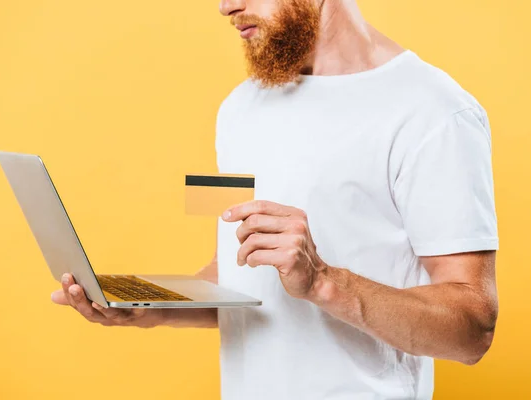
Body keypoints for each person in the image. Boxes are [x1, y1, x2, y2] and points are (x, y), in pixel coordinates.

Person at [51, 0, 499, 398]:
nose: (225, 7)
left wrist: (322, 280)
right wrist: (151, 308)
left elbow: (472, 329)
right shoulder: (240, 106)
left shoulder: (435, 113)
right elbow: (232, 270)